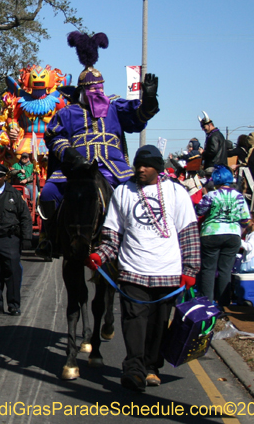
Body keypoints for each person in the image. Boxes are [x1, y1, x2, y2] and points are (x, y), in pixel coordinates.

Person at [86, 146, 200, 392]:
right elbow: (112, 234)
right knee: (133, 322)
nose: (140, 169)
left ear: (158, 168)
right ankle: (134, 370)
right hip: (132, 271)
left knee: (158, 325)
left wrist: (190, 270)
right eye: (138, 165)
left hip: (167, 273)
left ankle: (151, 367)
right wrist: (100, 255)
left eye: (147, 166)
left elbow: (189, 232)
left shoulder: (176, 192)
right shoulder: (123, 191)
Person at [39, 32, 159, 258]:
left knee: (140, 195)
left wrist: (150, 101)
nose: (97, 93)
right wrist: (71, 155)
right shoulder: (68, 112)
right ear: (82, 91)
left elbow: (137, 117)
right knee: (48, 192)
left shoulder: (115, 107)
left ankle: (141, 240)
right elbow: (54, 136)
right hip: (76, 169)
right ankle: (49, 238)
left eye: (100, 88)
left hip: (114, 168)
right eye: (92, 89)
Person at [195, 165, 251, 306]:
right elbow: (246, 219)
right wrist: (238, 231)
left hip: (211, 233)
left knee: (208, 270)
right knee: (225, 270)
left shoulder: (211, 195)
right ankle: (225, 305)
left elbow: (199, 211)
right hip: (232, 234)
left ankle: (206, 304)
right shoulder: (239, 196)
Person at [0, 163, 32, 316]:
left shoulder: (14, 194)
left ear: (5, 177)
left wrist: (27, 238)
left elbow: (25, 217)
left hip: (10, 239)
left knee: (13, 273)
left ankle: (13, 305)